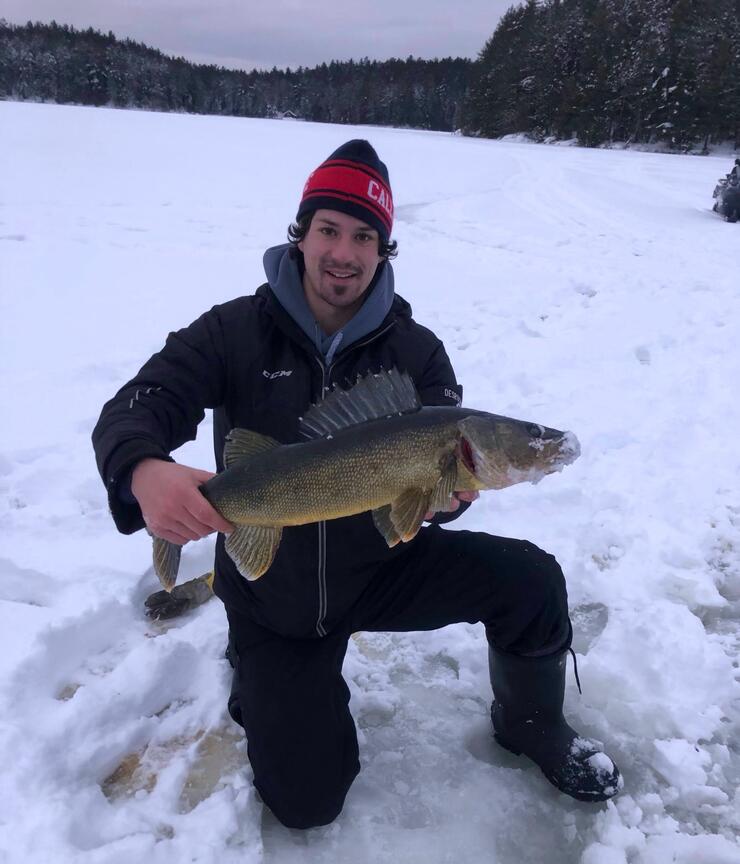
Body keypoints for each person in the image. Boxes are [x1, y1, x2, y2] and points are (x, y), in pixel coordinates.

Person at [93, 140, 621, 829]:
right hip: (275, 595)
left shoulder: (418, 352)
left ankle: (529, 723)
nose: (344, 252)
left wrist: (446, 501)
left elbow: (426, 507)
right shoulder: (233, 331)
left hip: (377, 570)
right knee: (307, 802)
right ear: (302, 233)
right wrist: (144, 469)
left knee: (532, 580)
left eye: (364, 236)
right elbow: (138, 403)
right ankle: (256, 671)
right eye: (329, 230)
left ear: (383, 248)